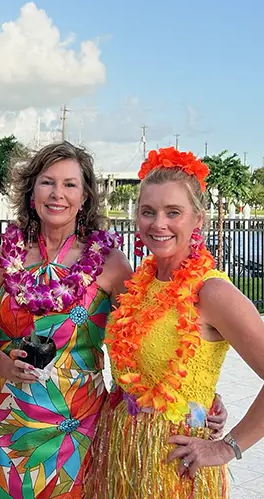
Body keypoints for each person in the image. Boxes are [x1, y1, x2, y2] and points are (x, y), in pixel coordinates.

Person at [0, 142, 226, 499]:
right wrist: (0, 362)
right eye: (47, 182)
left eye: (70, 184)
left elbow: (150, 338)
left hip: (81, 427)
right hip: (8, 420)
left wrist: (201, 396)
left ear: (85, 196)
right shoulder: (3, 258)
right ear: (32, 192)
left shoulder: (110, 264)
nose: (57, 194)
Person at [84, 147, 264, 498]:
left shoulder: (212, 292)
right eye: (148, 212)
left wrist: (229, 446)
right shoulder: (141, 283)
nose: (159, 223)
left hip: (174, 464)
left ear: (198, 218)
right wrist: (205, 399)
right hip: (120, 452)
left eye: (173, 212)